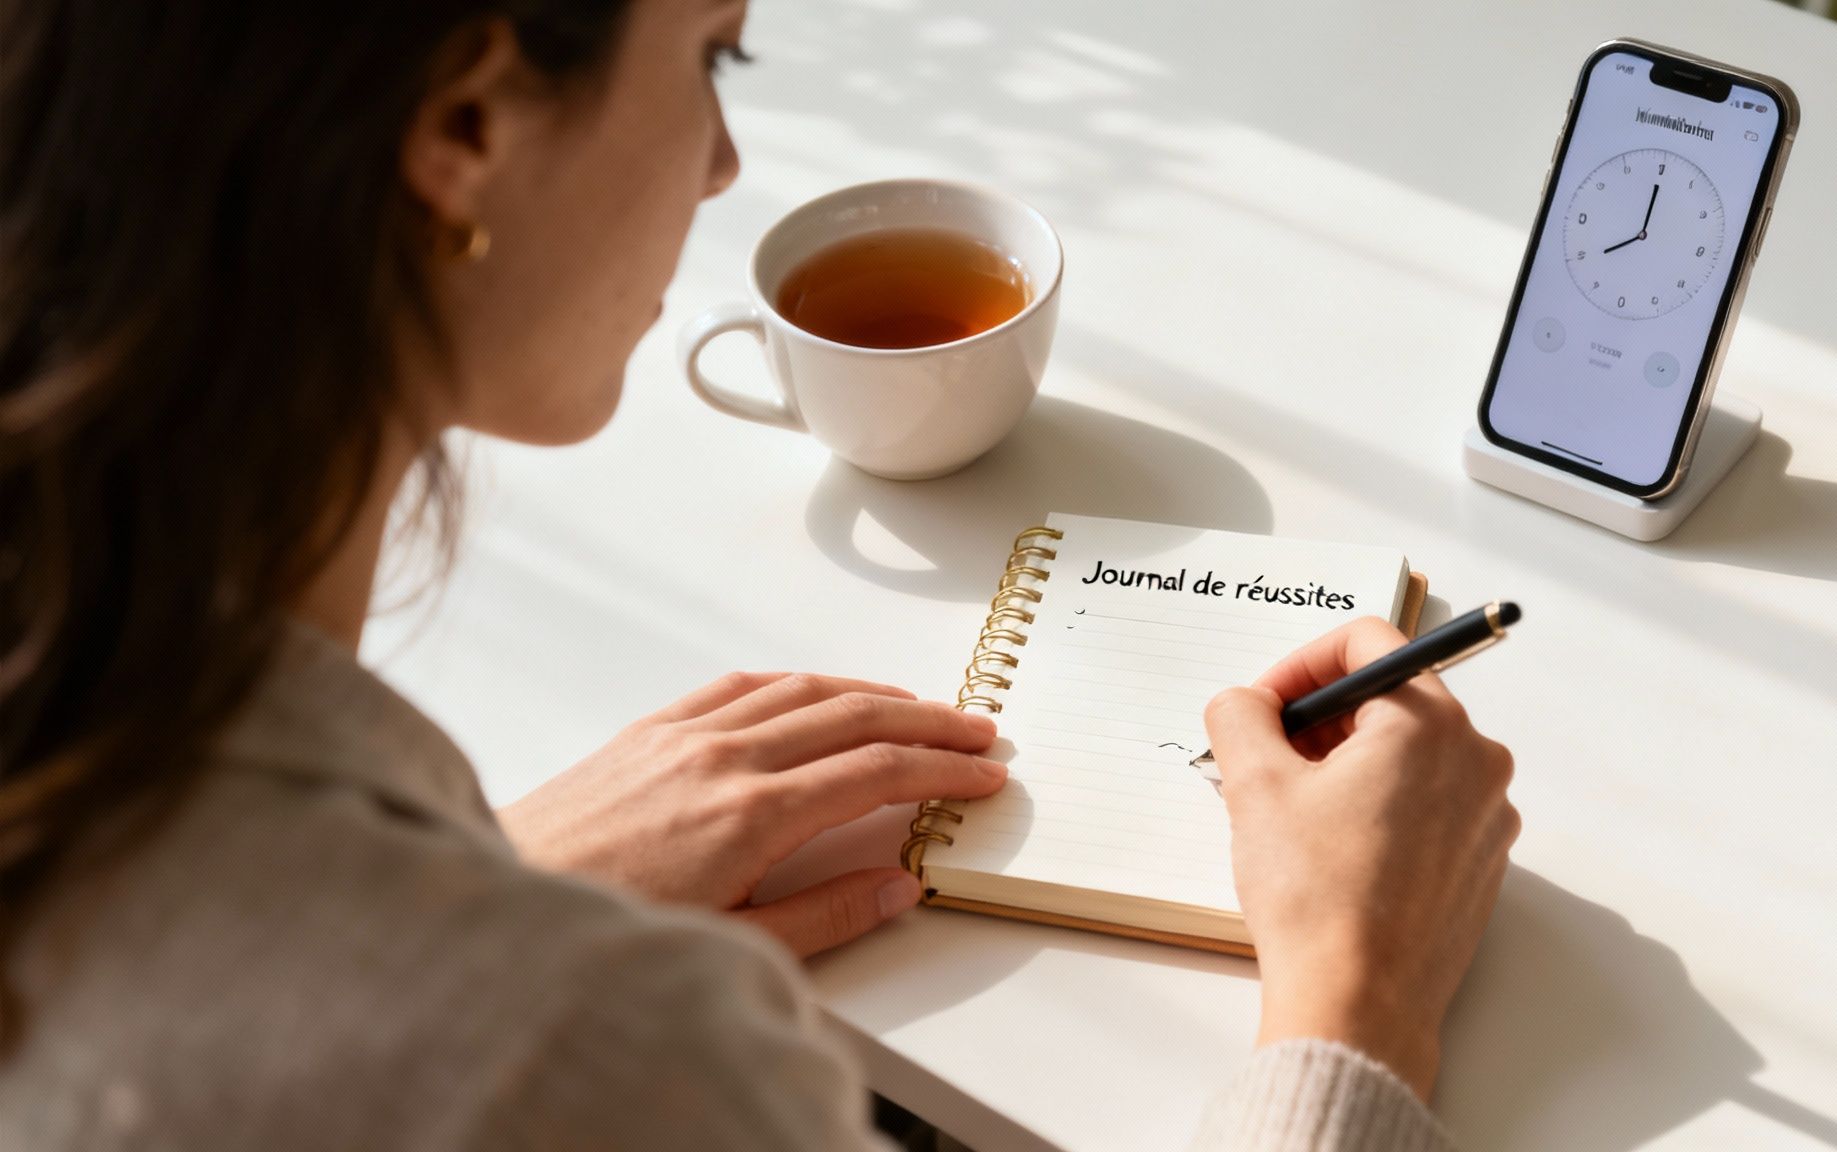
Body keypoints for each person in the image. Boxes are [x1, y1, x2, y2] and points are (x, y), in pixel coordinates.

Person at [0, 1, 1518, 1148]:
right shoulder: (573, 1052)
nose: (725, 167)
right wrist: (1356, 1002)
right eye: (714, 59)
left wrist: (486, 889)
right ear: (464, 127)